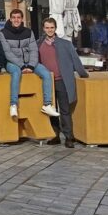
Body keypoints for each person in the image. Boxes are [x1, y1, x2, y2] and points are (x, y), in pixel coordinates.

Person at [0, 9, 58, 119]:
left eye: (18, 17)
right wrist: (21, 66)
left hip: (29, 62)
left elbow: (34, 50)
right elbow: (7, 53)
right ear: (10, 19)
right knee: (16, 73)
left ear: (22, 19)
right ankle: (13, 104)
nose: (16, 20)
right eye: (14, 17)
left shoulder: (29, 32)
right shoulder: (3, 33)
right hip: (12, 62)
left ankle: (47, 104)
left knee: (46, 73)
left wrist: (30, 65)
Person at [37, 17, 88, 147]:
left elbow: (75, 60)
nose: (49, 30)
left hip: (62, 81)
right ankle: (55, 136)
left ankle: (69, 137)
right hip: (47, 82)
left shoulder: (65, 44)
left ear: (55, 28)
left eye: (52, 27)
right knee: (51, 110)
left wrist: (83, 73)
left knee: (65, 110)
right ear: (43, 29)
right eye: (47, 27)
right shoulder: (38, 44)